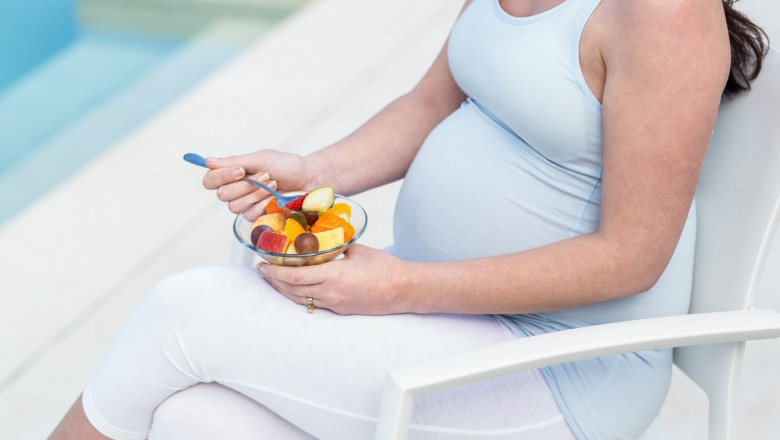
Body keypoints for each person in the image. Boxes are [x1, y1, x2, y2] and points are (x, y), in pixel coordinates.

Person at [50, 0, 769, 438]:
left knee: (185, 313)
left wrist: (396, 288)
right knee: (190, 424)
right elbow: (430, 104)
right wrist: (313, 172)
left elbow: (632, 257)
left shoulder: (663, 10)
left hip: (565, 367)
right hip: (450, 326)